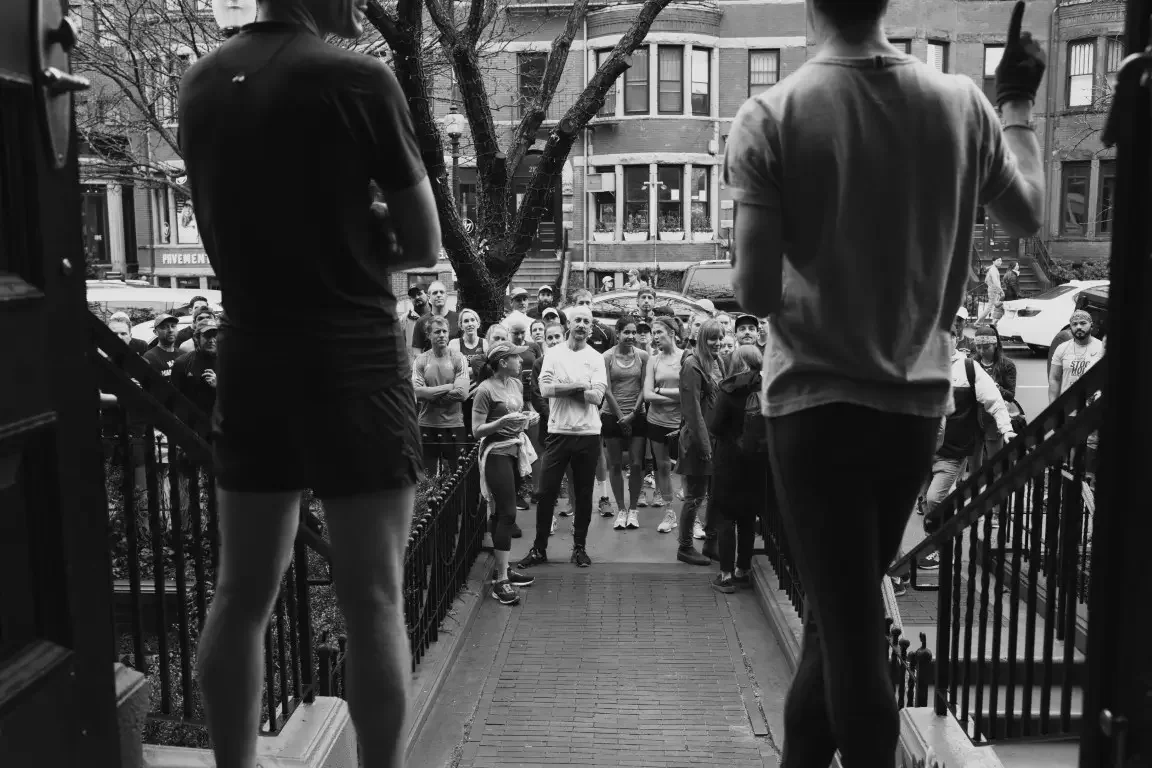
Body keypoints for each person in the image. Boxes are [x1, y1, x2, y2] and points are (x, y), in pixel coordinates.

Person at [723, 0, 1045, 763]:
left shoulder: (772, 115)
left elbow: (755, 291)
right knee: (835, 619)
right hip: (912, 406)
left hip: (813, 405)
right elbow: (1026, 212)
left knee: (849, 626)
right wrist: (1016, 103)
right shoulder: (960, 105)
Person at [179, 0, 442, 762]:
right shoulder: (357, 80)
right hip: (353, 359)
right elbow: (424, 241)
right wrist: (366, 233)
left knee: (240, 595)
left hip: (253, 354)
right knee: (374, 599)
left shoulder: (200, 85)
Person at [517, 305, 607, 570]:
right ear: (569, 324)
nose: (582, 325)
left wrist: (564, 388)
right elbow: (545, 389)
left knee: (583, 493)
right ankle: (539, 549)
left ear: (591, 328)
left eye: (587, 322)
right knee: (546, 492)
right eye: (578, 320)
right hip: (558, 433)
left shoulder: (596, 358)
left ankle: (579, 548)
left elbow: (597, 397)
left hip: (588, 433)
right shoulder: (553, 355)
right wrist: (580, 386)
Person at [472, 342, 539, 605]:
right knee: (508, 514)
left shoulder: (516, 384)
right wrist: (500, 422)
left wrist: (527, 418)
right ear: (502, 362)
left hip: (515, 450)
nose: (521, 361)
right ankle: (500, 581)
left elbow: (516, 414)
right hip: (496, 453)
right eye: (516, 357)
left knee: (502, 513)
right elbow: (477, 430)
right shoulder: (485, 390)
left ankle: (504, 568)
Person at [707, 345, 769, 593]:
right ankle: (743, 569)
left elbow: (715, 426)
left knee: (725, 517)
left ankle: (725, 575)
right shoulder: (768, 387)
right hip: (757, 460)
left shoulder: (729, 389)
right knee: (747, 517)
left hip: (729, 459)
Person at [675, 318, 724, 565]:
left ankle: (711, 543)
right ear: (702, 339)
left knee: (715, 494)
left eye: (721, 337)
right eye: (713, 338)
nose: (718, 342)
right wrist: (705, 446)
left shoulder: (717, 361)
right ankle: (685, 547)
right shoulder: (691, 365)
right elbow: (692, 410)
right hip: (697, 440)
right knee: (695, 496)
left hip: (716, 439)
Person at [602, 315, 650, 530]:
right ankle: (621, 509)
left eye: (633, 332)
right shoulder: (607, 357)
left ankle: (633, 509)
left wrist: (632, 414)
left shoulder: (643, 356)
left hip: (637, 414)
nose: (631, 336)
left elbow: (644, 387)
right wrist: (621, 416)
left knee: (637, 464)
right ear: (618, 333)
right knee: (614, 464)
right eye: (626, 332)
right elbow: (607, 390)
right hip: (611, 415)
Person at [412, 316, 470, 475]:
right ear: (428, 335)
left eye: (445, 331)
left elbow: (462, 393)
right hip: (427, 425)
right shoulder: (421, 360)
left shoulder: (458, 358)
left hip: (454, 425)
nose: (442, 335)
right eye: (437, 332)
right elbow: (416, 392)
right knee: (427, 479)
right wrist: (449, 386)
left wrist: (430, 395)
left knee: (458, 477)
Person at [643, 316, 683, 524]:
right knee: (663, 467)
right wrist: (677, 396)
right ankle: (670, 512)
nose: (655, 337)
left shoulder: (686, 358)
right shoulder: (653, 360)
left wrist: (661, 391)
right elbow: (647, 395)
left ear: (672, 333)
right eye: (654, 333)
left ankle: (692, 517)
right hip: (657, 421)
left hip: (681, 422)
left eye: (659, 332)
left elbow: (690, 392)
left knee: (687, 470)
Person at [971, 324, 1017, 470]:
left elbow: (1010, 395)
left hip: (994, 419)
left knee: (995, 464)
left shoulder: (1007, 365)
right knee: (974, 466)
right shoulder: (971, 363)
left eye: (986, 347)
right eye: (978, 347)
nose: (981, 351)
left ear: (995, 345)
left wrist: (995, 388)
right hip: (973, 418)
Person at [412, 281, 459, 353]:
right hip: (429, 360)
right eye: (435, 293)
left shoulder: (458, 319)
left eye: (442, 292)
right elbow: (417, 351)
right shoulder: (421, 322)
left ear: (446, 296)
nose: (439, 295)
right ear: (429, 297)